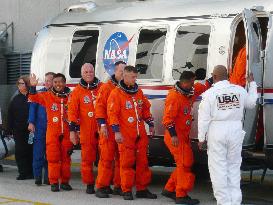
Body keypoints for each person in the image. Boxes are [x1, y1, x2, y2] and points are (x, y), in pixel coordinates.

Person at [198, 65, 258, 205]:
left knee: (218, 168)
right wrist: (253, 84)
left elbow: (204, 119)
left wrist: (201, 138)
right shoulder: (239, 90)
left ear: (214, 77)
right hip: (236, 130)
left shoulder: (210, 94)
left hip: (217, 130)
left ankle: (224, 202)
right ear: (228, 76)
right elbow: (251, 104)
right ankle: (235, 201)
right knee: (234, 167)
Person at [107, 65, 157, 200]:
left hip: (139, 133)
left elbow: (145, 109)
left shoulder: (138, 92)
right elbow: (113, 115)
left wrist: (151, 124)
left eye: (136, 77)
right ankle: (126, 189)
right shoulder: (116, 94)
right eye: (133, 77)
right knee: (127, 163)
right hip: (125, 135)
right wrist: (116, 132)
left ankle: (142, 189)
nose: (135, 79)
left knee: (143, 163)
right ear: (124, 76)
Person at [162, 71, 211, 205]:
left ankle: (169, 188)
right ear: (186, 82)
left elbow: (203, 87)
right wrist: (173, 136)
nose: (194, 85)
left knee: (182, 164)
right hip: (175, 137)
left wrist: (212, 80)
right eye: (192, 82)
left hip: (183, 136)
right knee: (185, 164)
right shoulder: (174, 96)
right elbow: (167, 119)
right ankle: (181, 195)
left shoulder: (188, 92)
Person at [29, 73, 72, 192]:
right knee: (52, 158)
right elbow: (33, 98)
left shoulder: (71, 96)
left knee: (66, 159)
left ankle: (64, 182)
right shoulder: (47, 96)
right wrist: (33, 87)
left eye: (60, 82)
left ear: (65, 83)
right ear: (53, 83)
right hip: (52, 133)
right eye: (56, 82)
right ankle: (53, 182)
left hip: (67, 133)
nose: (58, 84)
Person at [68, 63, 102, 194]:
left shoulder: (102, 88)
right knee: (87, 159)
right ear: (82, 74)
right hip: (86, 130)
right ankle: (89, 184)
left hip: (102, 129)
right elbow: (72, 113)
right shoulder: (77, 92)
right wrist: (72, 131)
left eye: (91, 71)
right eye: (86, 72)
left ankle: (103, 183)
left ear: (94, 72)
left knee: (106, 158)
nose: (89, 73)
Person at [95, 61, 126, 198]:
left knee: (121, 159)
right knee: (106, 159)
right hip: (107, 128)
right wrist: (102, 125)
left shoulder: (127, 88)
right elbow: (99, 107)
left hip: (122, 128)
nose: (123, 75)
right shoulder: (106, 88)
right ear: (115, 71)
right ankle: (102, 186)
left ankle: (118, 185)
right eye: (121, 72)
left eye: (125, 72)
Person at [28, 72, 55, 186]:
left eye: (50, 80)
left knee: (50, 154)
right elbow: (32, 107)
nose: (48, 82)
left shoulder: (58, 95)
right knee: (38, 153)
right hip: (40, 127)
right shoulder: (40, 94)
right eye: (46, 80)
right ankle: (37, 177)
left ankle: (48, 177)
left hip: (53, 129)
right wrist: (31, 122)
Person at [8, 76, 33, 180]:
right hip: (18, 130)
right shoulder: (15, 99)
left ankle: (31, 172)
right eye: (18, 83)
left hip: (31, 130)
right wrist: (10, 129)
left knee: (30, 151)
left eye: (22, 83)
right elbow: (10, 115)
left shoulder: (33, 97)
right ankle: (22, 172)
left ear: (27, 84)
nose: (19, 85)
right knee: (19, 152)